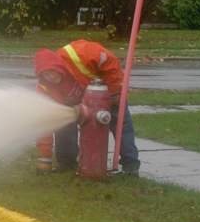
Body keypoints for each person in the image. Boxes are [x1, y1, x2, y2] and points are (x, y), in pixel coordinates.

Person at [33, 39, 141, 177]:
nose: (51, 77)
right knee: (62, 122)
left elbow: (109, 61)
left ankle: (130, 165)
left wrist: (114, 93)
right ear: (40, 77)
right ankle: (66, 162)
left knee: (121, 123)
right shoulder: (44, 89)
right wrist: (45, 158)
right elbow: (44, 124)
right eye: (45, 75)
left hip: (107, 93)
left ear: (59, 66)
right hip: (78, 102)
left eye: (53, 72)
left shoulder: (79, 54)